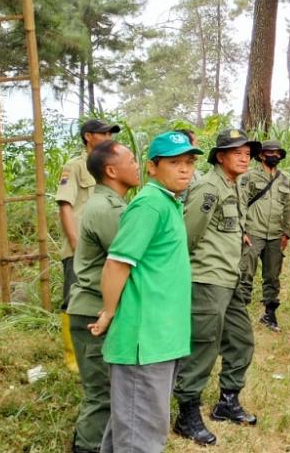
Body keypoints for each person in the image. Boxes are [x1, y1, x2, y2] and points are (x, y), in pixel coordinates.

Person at [89, 130, 201, 453]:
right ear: (152, 167)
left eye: (189, 161)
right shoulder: (150, 205)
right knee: (141, 441)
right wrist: (109, 312)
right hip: (145, 343)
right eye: (174, 162)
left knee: (127, 433)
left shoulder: (167, 202)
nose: (184, 169)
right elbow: (117, 264)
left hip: (161, 339)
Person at [173, 129, 261, 446]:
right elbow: (187, 236)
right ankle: (187, 415)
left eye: (247, 153)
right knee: (203, 347)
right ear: (220, 157)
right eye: (237, 152)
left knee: (241, 340)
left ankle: (227, 402)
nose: (244, 157)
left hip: (230, 277)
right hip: (208, 279)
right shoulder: (209, 188)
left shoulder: (233, 185)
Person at [66, 140, 140, 453]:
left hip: (99, 310)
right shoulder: (107, 210)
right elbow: (131, 258)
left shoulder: (111, 205)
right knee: (102, 395)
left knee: (110, 392)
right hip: (93, 312)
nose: (137, 165)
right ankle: (87, 447)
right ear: (111, 171)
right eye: (131, 160)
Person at [57, 118, 120, 370]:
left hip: (104, 247)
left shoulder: (109, 167)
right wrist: (76, 245)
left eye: (110, 134)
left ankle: (100, 351)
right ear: (88, 136)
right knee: (73, 298)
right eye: (103, 133)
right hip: (80, 248)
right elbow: (65, 206)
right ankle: (73, 358)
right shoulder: (74, 167)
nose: (108, 138)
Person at [239, 140, 290, 332]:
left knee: (272, 276)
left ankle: (270, 315)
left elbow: (288, 207)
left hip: (275, 234)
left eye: (277, 153)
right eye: (270, 152)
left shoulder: (285, 179)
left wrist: (286, 232)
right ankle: (240, 315)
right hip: (253, 232)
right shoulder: (249, 177)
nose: (274, 155)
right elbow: (241, 203)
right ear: (261, 155)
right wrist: (242, 230)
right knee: (245, 272)